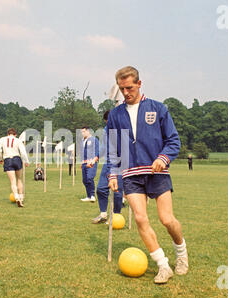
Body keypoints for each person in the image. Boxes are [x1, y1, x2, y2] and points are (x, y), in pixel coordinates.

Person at [107, 66, 188, 284]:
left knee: (167, 220)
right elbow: (113, 147)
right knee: (141, 219)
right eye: (122, 89)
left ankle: (181, 254)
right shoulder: (115, 115)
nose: (126, 92)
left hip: (157, 172)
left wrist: (163, 158)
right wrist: (112, 173)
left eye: (130, 87)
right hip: (131, 174)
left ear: (140, 84)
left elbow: (173, 141)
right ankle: (163, 265)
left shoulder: (158, 109)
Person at [92, 110, 124, 224]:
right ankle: (103, 214)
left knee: (117, 191)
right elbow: (104, 146)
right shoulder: (106, 130)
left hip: (122, 162)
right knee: (101, 189)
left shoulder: (125, 127)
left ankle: (116, 215)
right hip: (108, 162)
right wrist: (96, 157)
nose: (107, 125)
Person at [0, 128, 30, 207]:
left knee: (12, 181)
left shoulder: (2, 139)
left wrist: (0, 158)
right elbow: (23, 152)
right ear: (15, 134)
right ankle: (21, 197)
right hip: (17, 159)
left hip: (7, 160)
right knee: (19, 179)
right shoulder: (18, 140)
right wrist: (26, 161)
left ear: (8, 134)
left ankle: (16, 197)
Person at [80, 126, 99, 202]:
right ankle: (88, 196)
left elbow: (98, 150)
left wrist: (94, 160)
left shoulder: (94, 140)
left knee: (90, 178)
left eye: (84, 131)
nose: (82, 133)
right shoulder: (82, 140)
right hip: (84, 163)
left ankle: (92, 196)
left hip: (91, 162)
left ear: (88, 131)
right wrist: (82, 162)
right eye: (82, 132)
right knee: (84, 180)